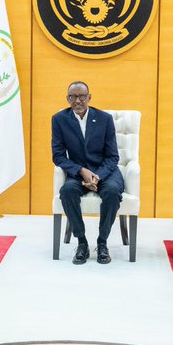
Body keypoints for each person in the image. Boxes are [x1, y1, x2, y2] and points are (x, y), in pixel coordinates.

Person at [52, 81, 125, 265]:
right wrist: (82, 171)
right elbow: (58, 156)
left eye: (82, 96)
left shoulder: (104, 119)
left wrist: (96, 176)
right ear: (67, 99)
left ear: (89, 97)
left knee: (112, 192)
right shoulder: (59, 119)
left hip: (105, 171)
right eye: (73, 97)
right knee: (67, 192)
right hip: (78, 172)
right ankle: (82, 242)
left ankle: (102, 243)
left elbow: (112, 156)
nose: (78, 101)